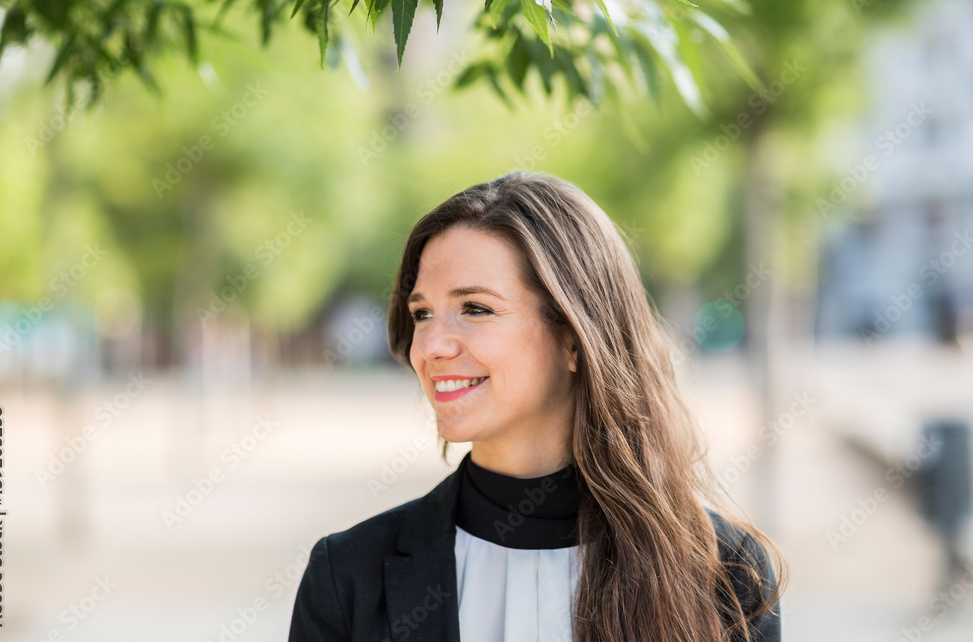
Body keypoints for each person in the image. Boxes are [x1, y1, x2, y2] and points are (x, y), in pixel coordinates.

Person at [288, 171, 786, 642]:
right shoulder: (347, 576)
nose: (431, 346)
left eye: (475, 308)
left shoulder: (725, 574)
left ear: (575, 337)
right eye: (422, 313)